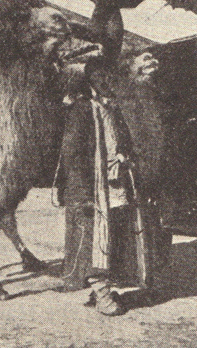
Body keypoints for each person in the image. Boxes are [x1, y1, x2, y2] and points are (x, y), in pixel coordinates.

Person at [54, 56, 154, 316]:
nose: (108, 84)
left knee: (116, 235)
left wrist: (126, 159)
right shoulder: (82, 110)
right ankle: (101, 291)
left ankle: (102, 287)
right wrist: (82, 191)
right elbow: (72, 153)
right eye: (102, 80)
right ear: (92, 85)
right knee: (93, 238)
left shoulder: (112, 108)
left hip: (115, 184)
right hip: (92, 187)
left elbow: (125, 141)